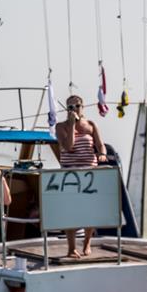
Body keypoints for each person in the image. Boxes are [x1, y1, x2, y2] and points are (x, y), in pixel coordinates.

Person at [55, 95, 107, 258]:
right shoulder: (61, 127)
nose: (74, 109)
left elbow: (100, 144)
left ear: (82, 107)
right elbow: (68, 146)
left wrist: (102, 154)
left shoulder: (91, 125)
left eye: (77, 106)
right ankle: (71, 248)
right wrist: (71, 125)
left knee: (89, 211)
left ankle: (87, 243)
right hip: (71, 174)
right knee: (72, 212)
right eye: (70, 107)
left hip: (89, 173)